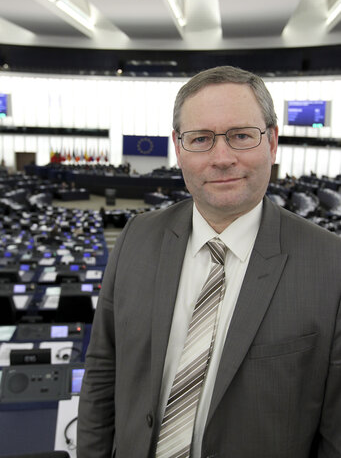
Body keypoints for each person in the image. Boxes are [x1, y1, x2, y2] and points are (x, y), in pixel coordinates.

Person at [77, 66, 341, 458]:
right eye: (200, 138)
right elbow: (102, 371)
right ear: (178, 147)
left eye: (241, 136)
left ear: (271, 142)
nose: (222, 158)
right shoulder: (136, 237)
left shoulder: (331, 265)